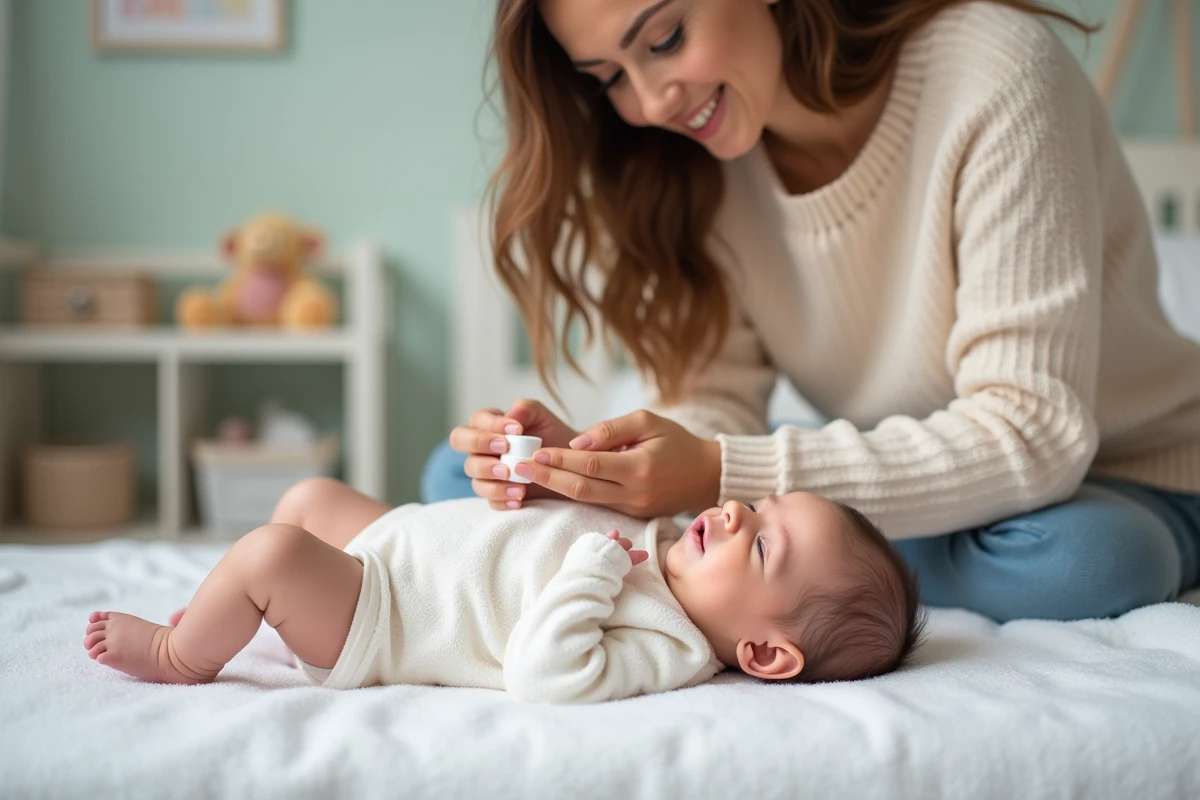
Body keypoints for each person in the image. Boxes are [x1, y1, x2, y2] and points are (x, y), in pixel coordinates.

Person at [430, 0, 1200, 624]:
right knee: (452, 476)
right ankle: (801, 577)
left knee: (1086, 562)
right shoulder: (690, 167)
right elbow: (711, 400)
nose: (649, 102)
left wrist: (716, 475)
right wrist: (598, 465)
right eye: (607, 79)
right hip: (916, 509)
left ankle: (781, 579)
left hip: (1131, 475)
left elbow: (1034, 433)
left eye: (664, 38)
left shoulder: (996, 72)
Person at [82, 478, 923, 701]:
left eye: (764, 543)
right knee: (307, 500)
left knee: (271, 553)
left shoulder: (670, 650)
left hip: (386, 615)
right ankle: (224, 610)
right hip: (405, 540)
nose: (736, 512)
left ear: (765, 652)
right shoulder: (672, 543)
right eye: (759, 506)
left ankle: (179, 652)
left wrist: (593, 572)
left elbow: (544, 674)